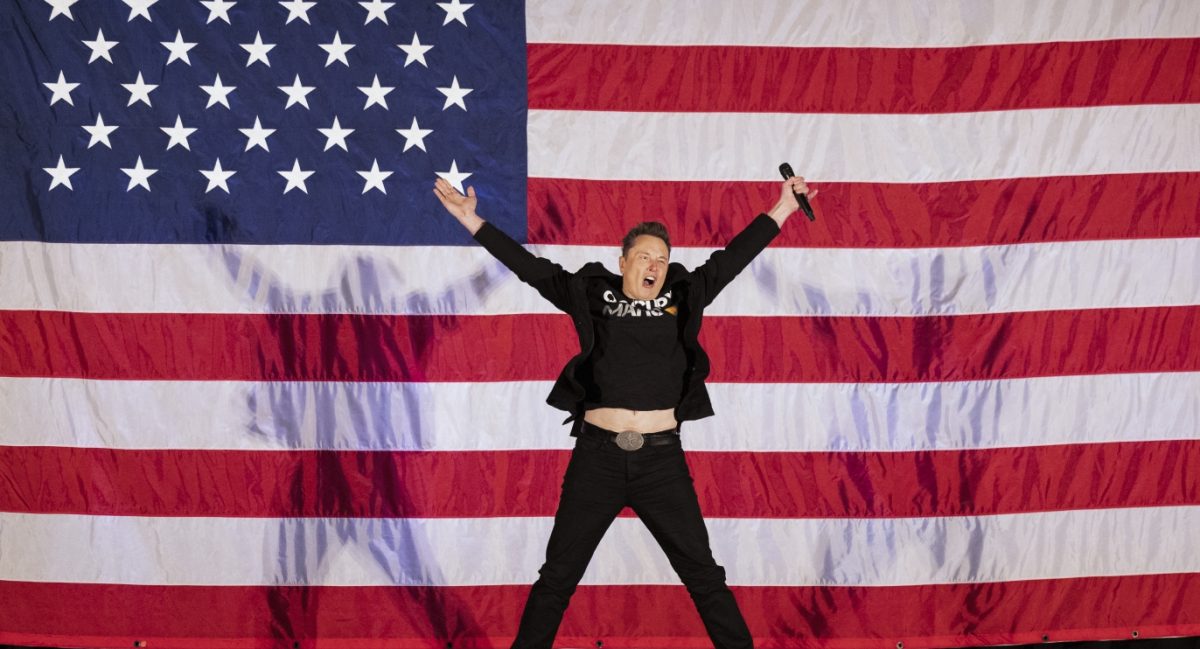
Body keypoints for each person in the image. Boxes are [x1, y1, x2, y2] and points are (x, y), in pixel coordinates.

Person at [433, 175, 816, 649]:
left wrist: (782, 208)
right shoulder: (591, 294)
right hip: (598, 459)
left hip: (661, 462)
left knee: (704, 576)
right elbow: (529, 269)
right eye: (644, 257)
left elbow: (733, 259)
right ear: (623, 263)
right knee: (557, 578)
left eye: (662, 259)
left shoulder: (684, 294)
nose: (654, 265)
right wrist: (472, 221)